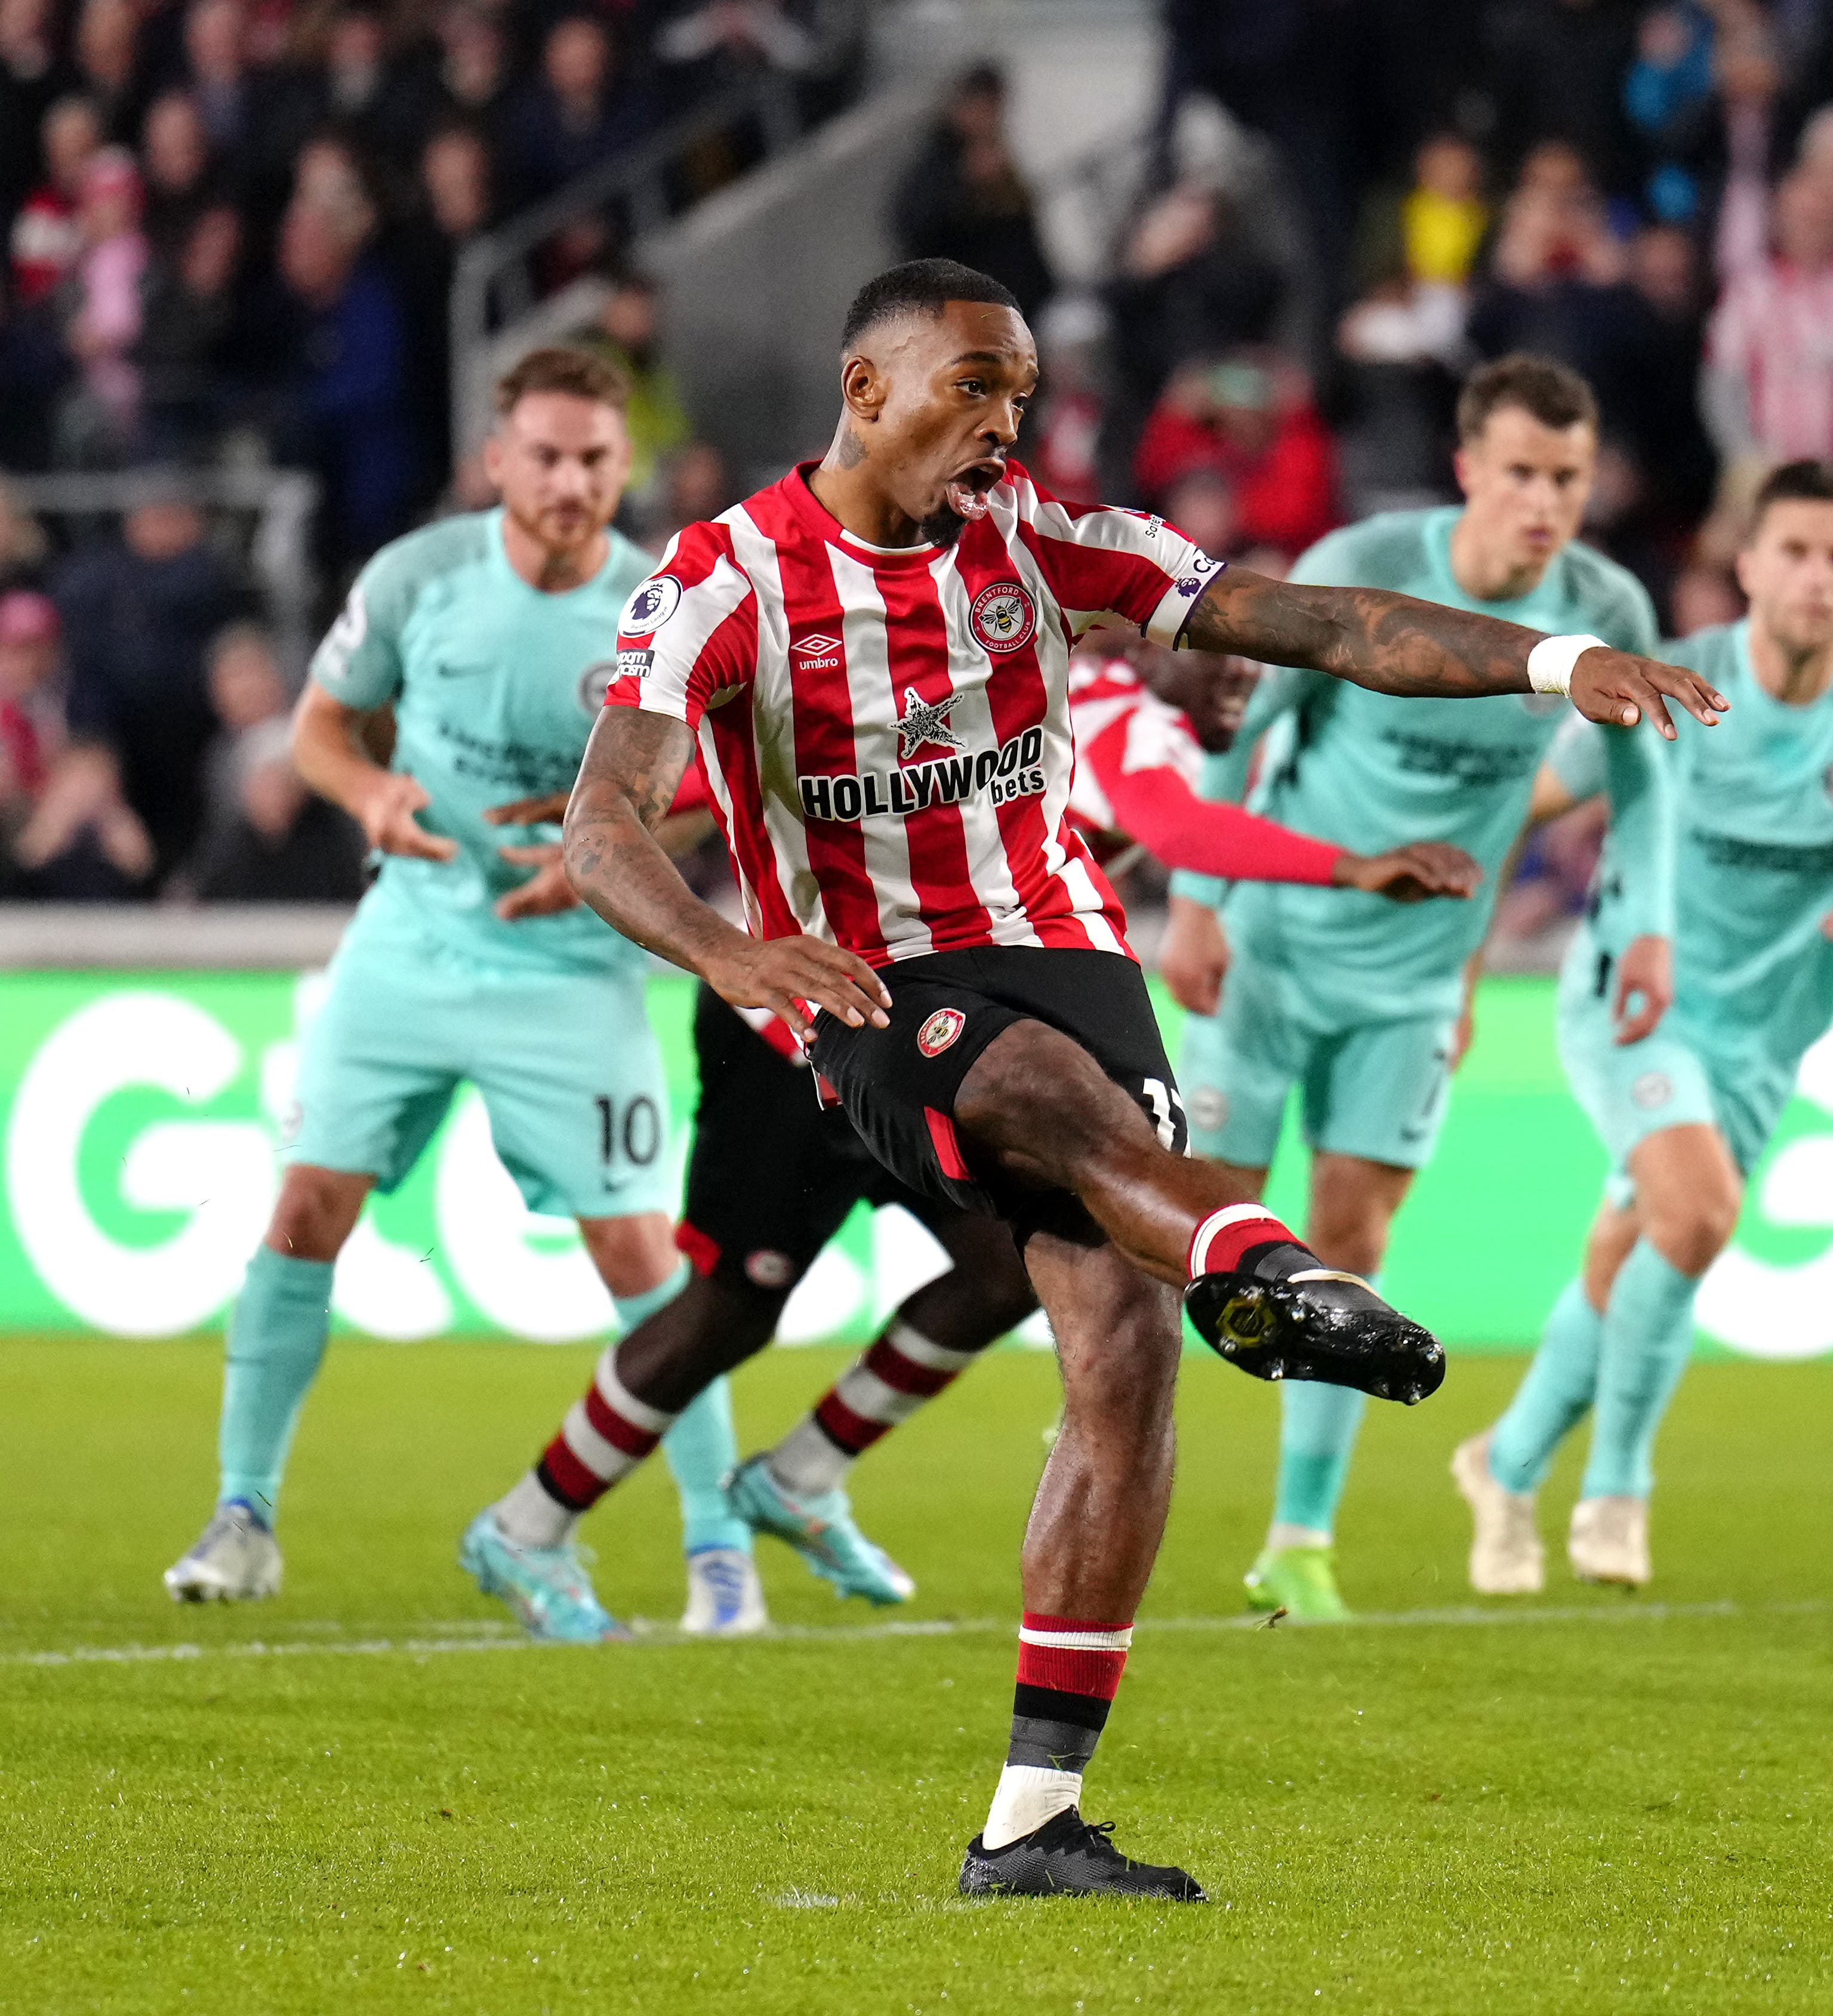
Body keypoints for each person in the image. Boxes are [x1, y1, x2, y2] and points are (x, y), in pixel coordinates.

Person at [544, 262, 1719, 1903]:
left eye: (1017, 393)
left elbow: (1312, 621)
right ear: (865, 388)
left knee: (1119, 1347)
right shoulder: (722, 577)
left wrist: (1552, 664)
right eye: (971, 388)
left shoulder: (1039, 535)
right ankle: (1268, 1263)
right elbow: (602, 824)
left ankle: (1032, 1822)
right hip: (869, 980)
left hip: (1070, 948)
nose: (1001, 426)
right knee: (1034, 1096)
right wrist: (734, 958)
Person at [460, 641, 1480, 1622]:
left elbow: (825, 772)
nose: (1241, 678)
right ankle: (526, 1522)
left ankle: (802, 1477)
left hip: (930, 1035)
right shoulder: (1127, 710)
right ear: (1148, 640)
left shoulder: (1043, 690)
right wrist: (1355, 867)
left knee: (1006, 1266)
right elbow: (1178, 832)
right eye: (1225, 654)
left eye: (1256, 668)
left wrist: (653, 816)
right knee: (734, 1306)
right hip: (794, 1033)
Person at [157, 349, 775, 1626]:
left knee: (639, 1254)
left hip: (574, 967)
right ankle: (245, 1514)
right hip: (413, 942)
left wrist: (608, 861)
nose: (570, 480)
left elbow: (728, 786)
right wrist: (374, 792)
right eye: (545, 456)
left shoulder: (670, 602)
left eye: (595, 459)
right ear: (497, 460)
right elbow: (320, 729)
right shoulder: (415, 578)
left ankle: (720, 1551)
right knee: (304, 1211)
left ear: (623, 465)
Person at [1158, 354, 1669, 1625]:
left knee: (1352, 1250)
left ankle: (1298, 1541)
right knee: (1181, 1235)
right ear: (1466, 471)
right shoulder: (1371, 557)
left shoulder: (1605, 606)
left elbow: (1642, 779)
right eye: (1518, 474)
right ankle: (1114, 1476)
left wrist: (1643, 928)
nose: (1542, 502)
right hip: (1271, 944)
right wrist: (1200, 902)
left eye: (1565, 477)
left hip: (1414, 981)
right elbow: (1251, 730)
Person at [1455, 461, 1833, 1589]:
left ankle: (1504, 1462)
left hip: (1767, 1035)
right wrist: (1457, 964)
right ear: (1746, 565)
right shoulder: (1669, 684)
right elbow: (1521, 803)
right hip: (1632, 999)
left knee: (1632, 1248)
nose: (1818, 576)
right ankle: (1617, 1493)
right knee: (1699, 1212)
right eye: (1796, 551)